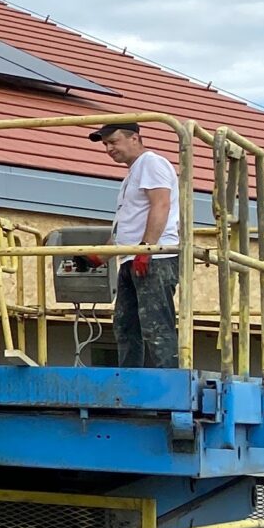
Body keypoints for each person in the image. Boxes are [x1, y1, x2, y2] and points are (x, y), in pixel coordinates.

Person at [89, 121, 181, 368]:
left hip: (154, 258)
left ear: (135, 139)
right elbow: (129, 224)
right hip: (133, 257)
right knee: (126, 325)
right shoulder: (134, 174)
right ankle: (129, 380)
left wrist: (146, 249)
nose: (109, 149)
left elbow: (161, 204)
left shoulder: (151, 163)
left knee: (155, 325)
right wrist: (100, 256)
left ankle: (168, 382)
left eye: (113, 142)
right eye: (105, 144)